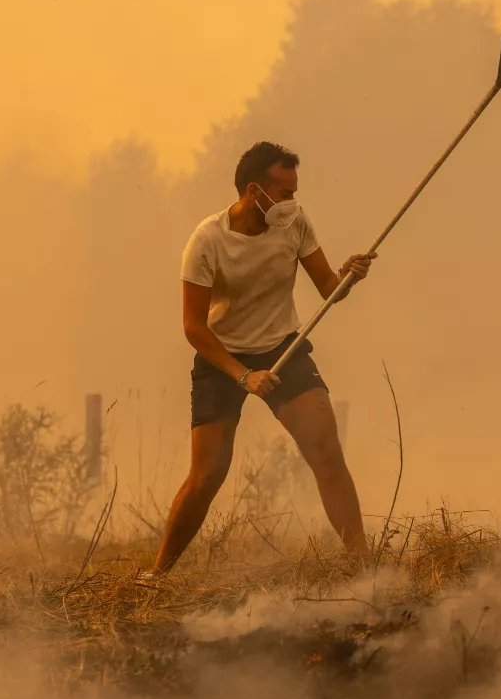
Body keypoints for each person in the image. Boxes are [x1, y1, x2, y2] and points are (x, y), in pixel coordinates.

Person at [143, 141, 376, 578]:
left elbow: (328, 288)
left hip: (281, 346)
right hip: (221, 354)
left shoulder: (295, 224)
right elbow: (194, 327)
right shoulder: (207, 240)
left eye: (294, 192)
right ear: (255, 190)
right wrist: (242, 375)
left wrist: (349, 276)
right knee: (207, 476)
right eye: (284, 193)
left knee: (326, 452)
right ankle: (157, 576)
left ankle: (362, 565)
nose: (292, 203)